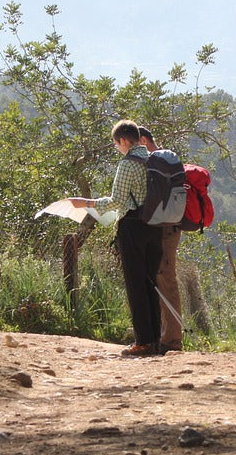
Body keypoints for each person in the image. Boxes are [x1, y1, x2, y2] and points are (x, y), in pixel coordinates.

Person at [68, 120, 163, 357]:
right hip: (157, 226)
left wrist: (87, 203)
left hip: (133, 226)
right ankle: (155, 340)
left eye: (116, 144)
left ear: (122, 140)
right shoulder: (155, 159)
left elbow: (118, 201)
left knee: (135, 283)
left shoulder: (128, 163)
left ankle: (142, 342)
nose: (117, 148)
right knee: (152, 282)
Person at [138, 125, 184, 353]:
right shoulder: (165, 162)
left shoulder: (158, 163)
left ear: (144, 140)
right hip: (170, 229)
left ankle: (173, 340)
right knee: (161, 281)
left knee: (166, 281)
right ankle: (163, 336)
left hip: (165, 231)